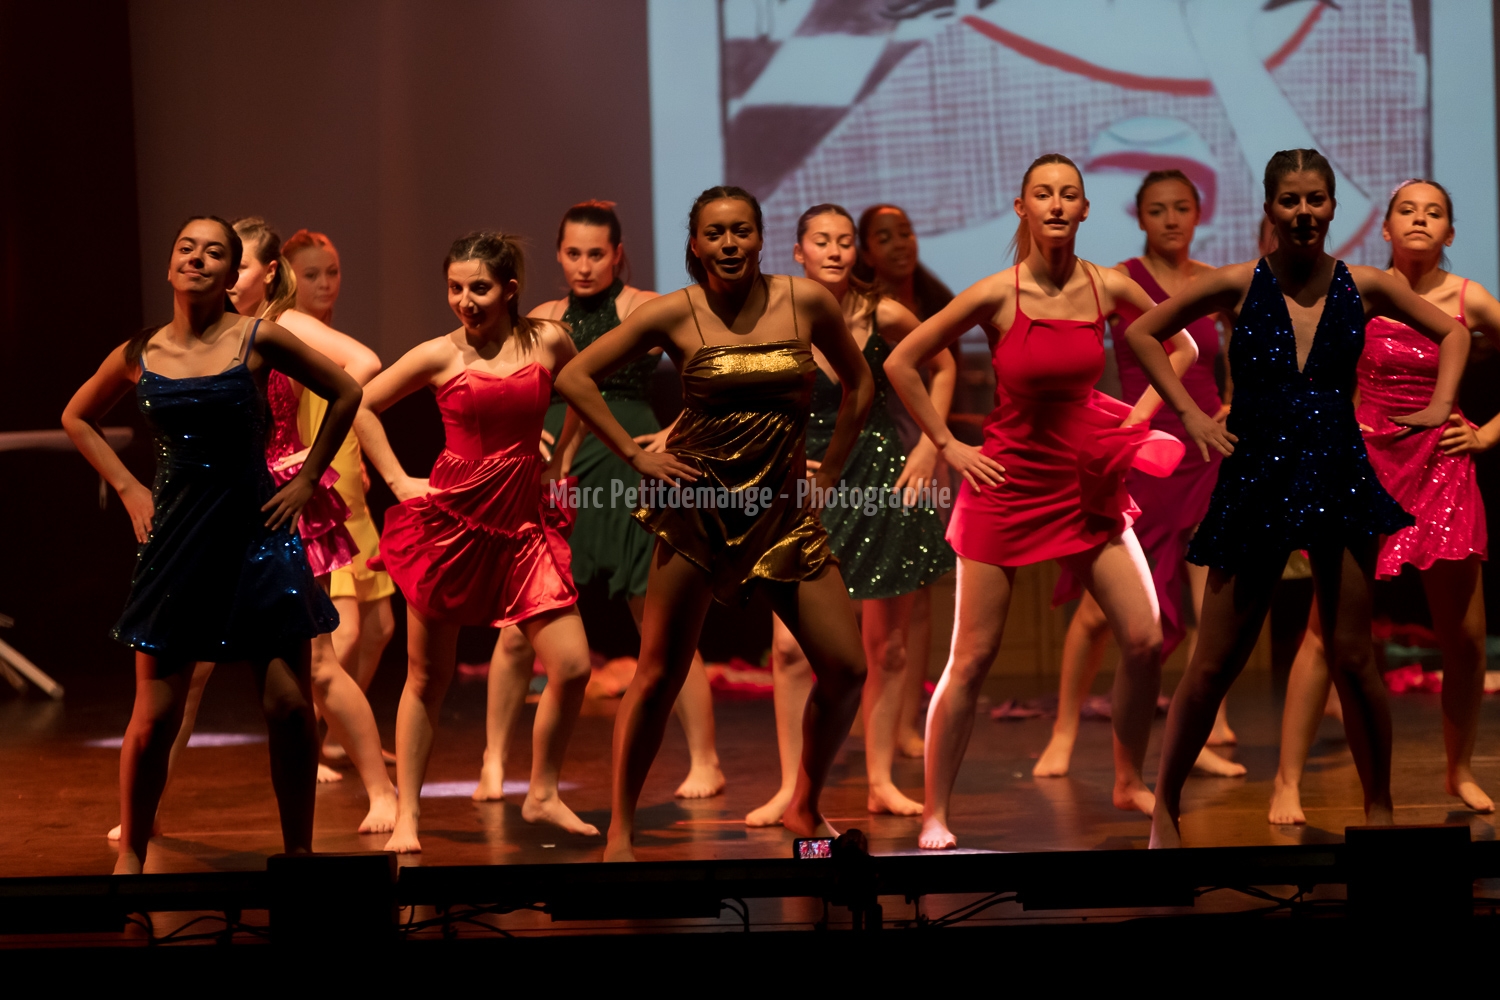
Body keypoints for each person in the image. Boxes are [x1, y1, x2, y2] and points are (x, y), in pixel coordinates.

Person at [1124, 149, 1470, 848]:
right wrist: (1190, 415)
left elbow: (1454, 331)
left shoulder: (1364, 285)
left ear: (1334, 207)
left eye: (1316, 199)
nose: (1304, 212)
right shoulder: (1238, 283)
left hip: (1338, 473)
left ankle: (1379, 813)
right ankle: (1165, 807)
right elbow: (1142, 332)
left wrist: (1440, 406)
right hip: (1257, 478)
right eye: (1290, 201)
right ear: (1270, 208)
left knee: (1353, 657)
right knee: (1214, 664)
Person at [555, 186, 873, 861]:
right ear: (696, 245)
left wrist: (830, 473)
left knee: (847, 669)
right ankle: (621, 832)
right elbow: (576, 377)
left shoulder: (807, 302)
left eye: (741, 231)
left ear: (760, 237)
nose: (729, 244)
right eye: (715, 233)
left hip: (781, 516)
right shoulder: (676, 311)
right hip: (697, 514)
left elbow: (860, 383)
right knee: (657, 676)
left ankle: (804, 804)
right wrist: (637, 454)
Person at [887, 154, 1194, 850]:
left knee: (1145, 638)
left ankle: (1126, 779)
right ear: (1021, 208)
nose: (1056, 205)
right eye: (1043, 194)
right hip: (1006, 485)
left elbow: (1181, 349)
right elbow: (901, 361)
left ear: (1084, 210)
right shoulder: (997, 293)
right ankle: (935, 813)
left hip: (1084, 483)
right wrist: (946, 443)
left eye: (1069, 195)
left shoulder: (1110, 286)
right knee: (972, 659)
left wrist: (1136, 420)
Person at [62, 216, 362, 873]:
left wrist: (307, 479)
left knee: (290, 705)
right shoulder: (141, 350)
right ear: (170, 266)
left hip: (257, 537)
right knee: (155, 716)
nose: (197, 258)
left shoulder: (258, 337)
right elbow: (77, 416)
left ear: (231, 275)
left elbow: (347, 390)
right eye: (186, 248)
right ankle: (132, 857)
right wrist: (128, 487)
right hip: (178, 542)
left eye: (214, 252)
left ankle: (299, 854)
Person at [355, 232, 597, 853]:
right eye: (455, 288)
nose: (465, 300)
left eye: (479, 288)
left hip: (522, 528)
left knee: (572, 665)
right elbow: (358, 404)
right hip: (451, 527)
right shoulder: (439, 353)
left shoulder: (548, 341)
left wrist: (561, 458)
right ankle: (407, 813)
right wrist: (397, 480)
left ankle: (542, 792)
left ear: (510, 290)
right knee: (426, 677)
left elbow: (582, 391)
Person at [478, 201, 725, 804]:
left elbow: (713, 373)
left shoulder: (645, 306)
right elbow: (504, 385)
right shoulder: (543, 317)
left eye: (596, 254)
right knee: (522, 623)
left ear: (617, 254)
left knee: (658, 619)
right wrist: (523, 439)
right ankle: (493, 761)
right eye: (573, 254)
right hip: (554, 472)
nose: (584, 266)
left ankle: (706, 760)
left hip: (627, 466)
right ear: (559, 255)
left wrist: (675, 431)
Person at [1270, 179, 1499, 823]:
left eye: (1434, 212)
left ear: (1450, 232)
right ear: (1387, 228)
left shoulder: (1471, 299)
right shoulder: (1359, 290)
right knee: (1326, 631)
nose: (1420, 219)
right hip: (1366, 464)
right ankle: (1287, 781)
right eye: (1407, 210)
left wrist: (1486, 434)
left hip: (1444, 468)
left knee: (1466, 639)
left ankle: (1458, 770)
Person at [747, 203, 956, 826]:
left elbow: (944, 364)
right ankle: (792, 788)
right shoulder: (777, 313)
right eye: (822, 241)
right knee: (790, 650)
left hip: (877, 478)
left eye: (844, 241)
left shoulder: (883, 313)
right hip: (800, 484)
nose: (835, 251)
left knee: (887, 647)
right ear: (798, 252)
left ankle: (880, 780)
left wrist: (932, 443)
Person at [1034, 170, 1243, 780]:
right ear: (1140, 216)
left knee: (1211, 603)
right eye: (1158, 209)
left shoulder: (1215, 282)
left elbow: (1245, 345)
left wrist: (1235, 399)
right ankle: (1064, 729)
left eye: (1181, 208)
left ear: (1199, 213)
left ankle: (1202, 729)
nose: (1171, 219)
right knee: (1101, 611)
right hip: (1146, 450)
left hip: (1207, 449)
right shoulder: (1121, 280)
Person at [284, 229, 397, 730]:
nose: (326, 284)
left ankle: (336, 737)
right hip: (325, 503)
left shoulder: (332, 340)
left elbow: (349, 414)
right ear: (288, 279)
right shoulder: (295, 344)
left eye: (332, 272)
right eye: (311, 275)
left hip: (354, 496)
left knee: (379, 627)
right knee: (342, 634)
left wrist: (361, 461)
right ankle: (309, 740)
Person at [855, 204, 955, 759]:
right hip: (873, 453)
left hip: (927, 451)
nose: (900, 244)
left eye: (906, 232)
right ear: (866, 252)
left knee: (918, 594)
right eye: (885, 237)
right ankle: (869, 711)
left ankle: (907, 720)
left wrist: (935, 447)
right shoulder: (862, 310)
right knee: (869, 595)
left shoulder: (936, 301)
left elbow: (948, 373)